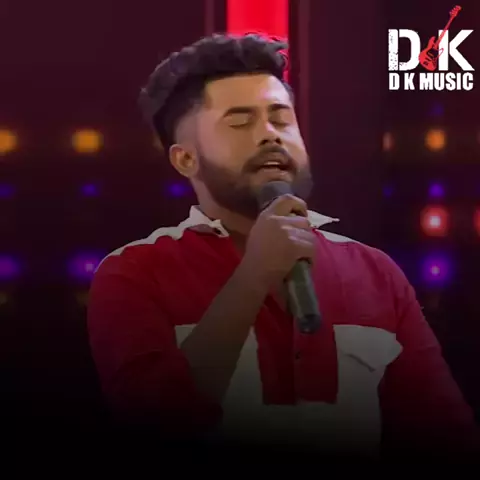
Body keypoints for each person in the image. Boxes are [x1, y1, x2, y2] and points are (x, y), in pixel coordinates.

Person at [87, 34, 479, 460]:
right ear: (186, 159)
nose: (270, 135)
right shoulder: (135, 273)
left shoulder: (374, 271)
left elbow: (445, 439)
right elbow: (153, 422)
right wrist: (254, 275)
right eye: (240, 122)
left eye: (281, 118)